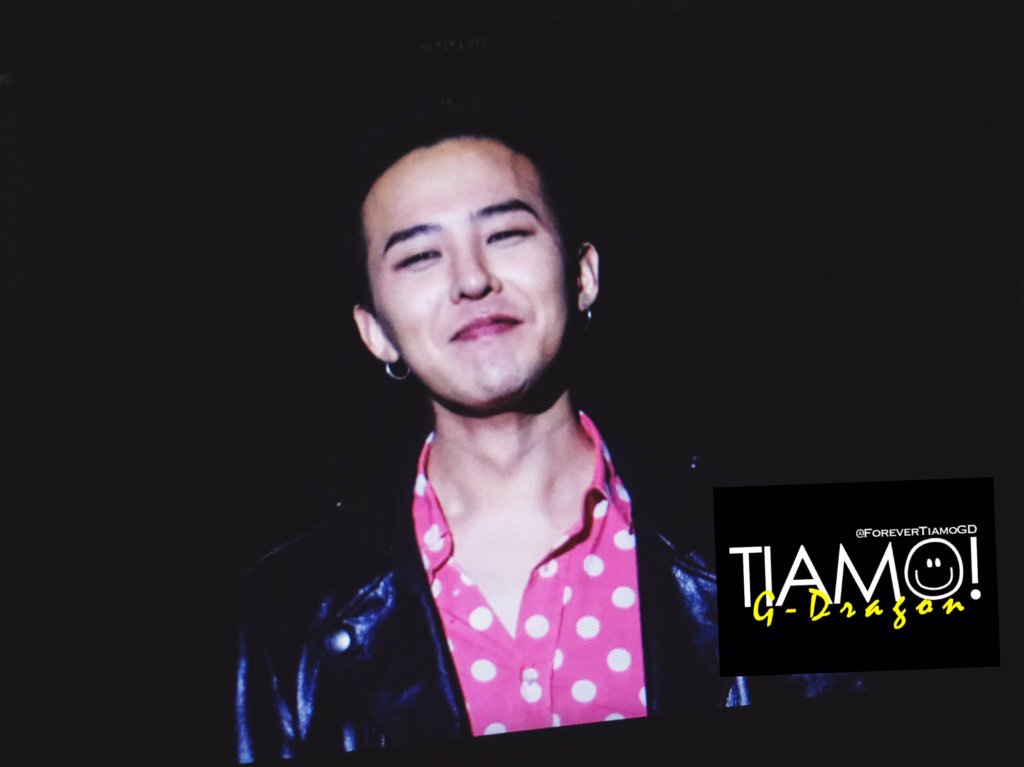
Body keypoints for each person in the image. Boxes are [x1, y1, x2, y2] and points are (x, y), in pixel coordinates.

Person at [235, 106, 861, 763]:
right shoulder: (287, 607)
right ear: (376, 332)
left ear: (583, 275)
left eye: (506, 233)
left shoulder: (792, 544)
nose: (472, 279)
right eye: (419, 256)